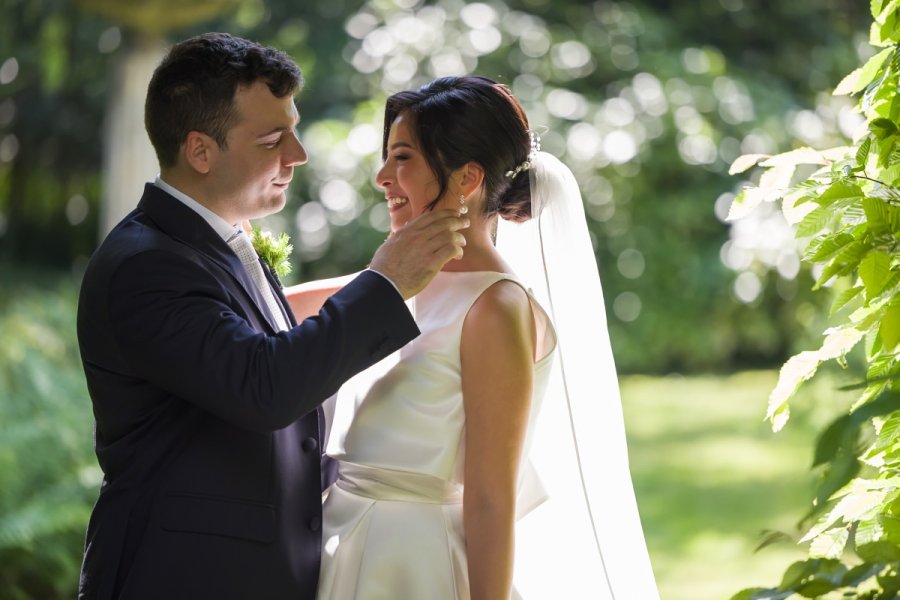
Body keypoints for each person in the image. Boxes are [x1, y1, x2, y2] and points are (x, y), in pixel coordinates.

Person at [75, 33, 468, 600]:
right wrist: (386, 282)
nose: (298, 155)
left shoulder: (216, 244)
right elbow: (266, 384)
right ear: (200, 151)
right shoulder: (147, 265)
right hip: (180, 578)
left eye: (295, 129)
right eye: (271, 139)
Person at [286, 76, 660, 599]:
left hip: (414, 562)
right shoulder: (398, 281)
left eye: (403, 158)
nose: (381, 177)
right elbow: (276, 308)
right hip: (341, 542)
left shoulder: (496, 307)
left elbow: (489, 497)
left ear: (467, 178)